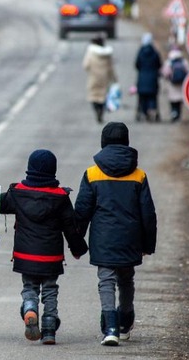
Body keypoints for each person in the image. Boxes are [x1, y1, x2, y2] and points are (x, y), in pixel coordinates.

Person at [73, 122, 157, 346]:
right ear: (127, 142)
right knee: (126, 278)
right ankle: (125, 321)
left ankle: (110, 327)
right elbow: (148, 213)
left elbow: (82, 211)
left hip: (103, 238)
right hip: (131, 238)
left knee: (106, 280)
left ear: (103, 142)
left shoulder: (92, 173)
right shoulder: (139, 175)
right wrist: (148, 244)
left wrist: (76, 240)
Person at [0, 149, 88, 345]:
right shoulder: (60, 197)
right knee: (50, 290)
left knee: (29, 287)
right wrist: (78, 249)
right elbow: (70, 228)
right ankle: (49, 329)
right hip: (51, 257)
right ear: (53, 171)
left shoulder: (17, 193)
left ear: (29, 169)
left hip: (25, 255)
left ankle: (30, 308)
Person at [82, 35, 117, 124]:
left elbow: (85, 65)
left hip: (93, 78)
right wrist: (115, 79)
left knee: (94, 96)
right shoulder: (107, 54)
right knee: (103, 96)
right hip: (105, 79)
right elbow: (111, 68)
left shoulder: (90, 53)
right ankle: (101, 112)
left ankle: (96, 111)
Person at [134, 33, 163, 122]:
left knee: (142, 98)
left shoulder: (140, 52)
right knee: (152, 97)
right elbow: (159, 64)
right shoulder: (155, 52)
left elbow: (136, 64)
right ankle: (152, 111)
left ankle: (144, 112)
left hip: (142, 79)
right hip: (153, 79)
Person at [161, 48, 189, 122]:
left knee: (173, 101)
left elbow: (165, 73)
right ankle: (178, 115)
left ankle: (174, 113)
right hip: (181, 85)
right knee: (179, 101)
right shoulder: (184, 61)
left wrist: (168, 78)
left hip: (172, 85)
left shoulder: (169, 62)